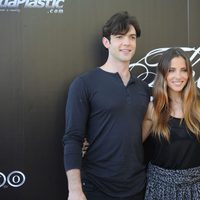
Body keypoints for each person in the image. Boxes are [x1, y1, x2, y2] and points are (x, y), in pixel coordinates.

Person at [63, 11, 150, 200]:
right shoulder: (84, 84)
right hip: (96, 187)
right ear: (106, 42)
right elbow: (72, 138)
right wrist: (75, 190)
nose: (127, 43)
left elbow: (141, 130)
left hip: (136, 186)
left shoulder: (143, 88)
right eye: (119, 37)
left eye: (132, 37)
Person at [142, 47, 200, 199]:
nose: (178, 76)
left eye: (183, 70)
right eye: (172, 70)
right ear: (163, 74)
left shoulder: (198, 107)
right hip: (159, 189)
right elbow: (133, 146)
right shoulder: (153, 109)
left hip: (195, 188)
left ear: (189, 74)